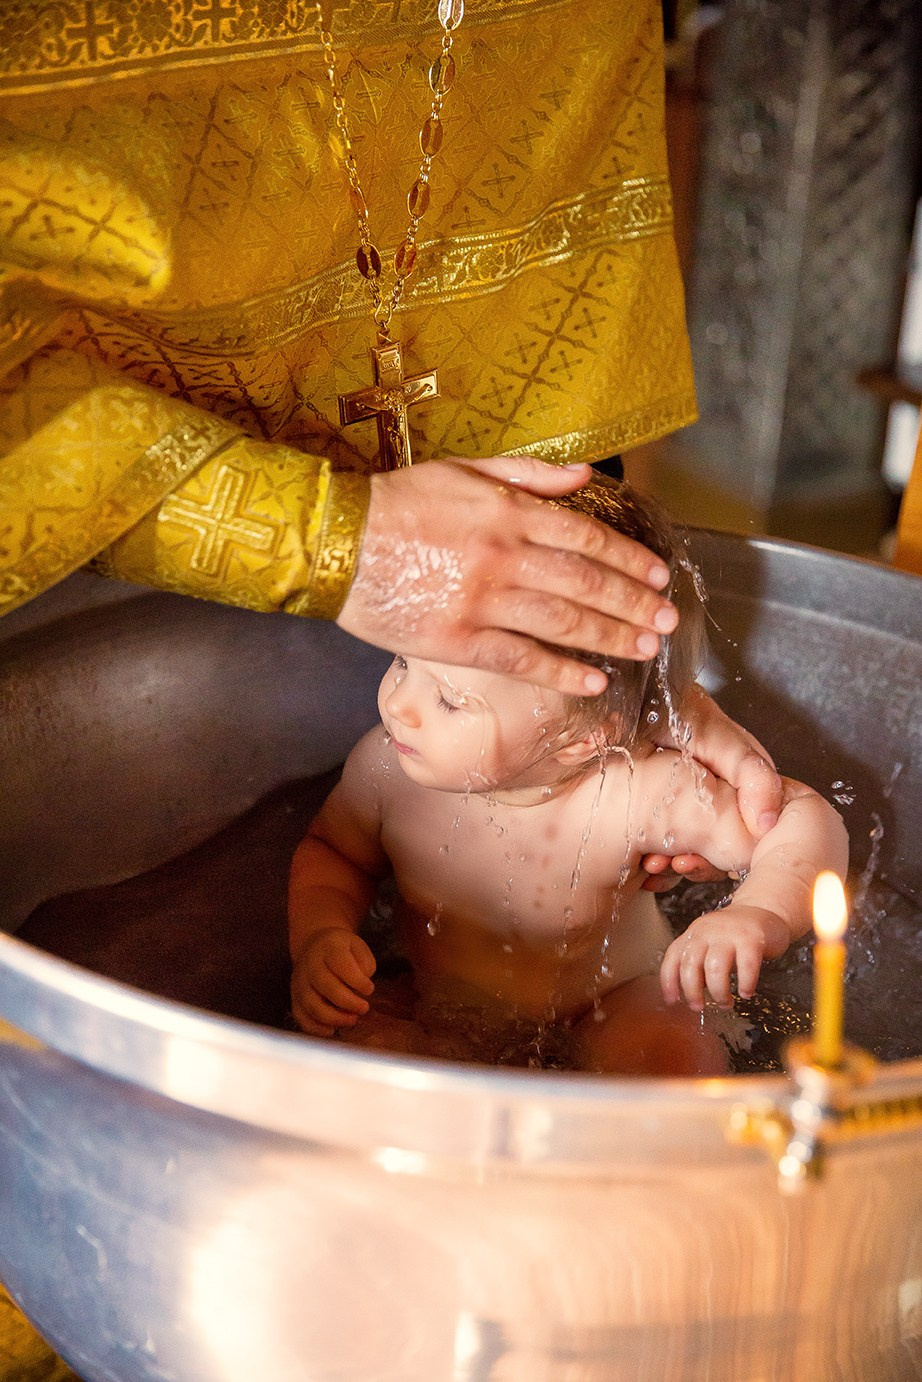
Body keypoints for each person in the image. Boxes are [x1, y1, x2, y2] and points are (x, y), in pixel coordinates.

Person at [288, 478, 848, 1074]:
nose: (400, 704)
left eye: (452, 700)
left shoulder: (635, 793)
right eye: (402, 661)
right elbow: (333, 853)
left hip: (613, 1005)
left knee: (671, 1054)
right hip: (439, 1007)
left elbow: (801, 816)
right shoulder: (385, 769)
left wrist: (757, 912)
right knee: (350, 1049)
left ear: (584, 739)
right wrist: (320, 935)